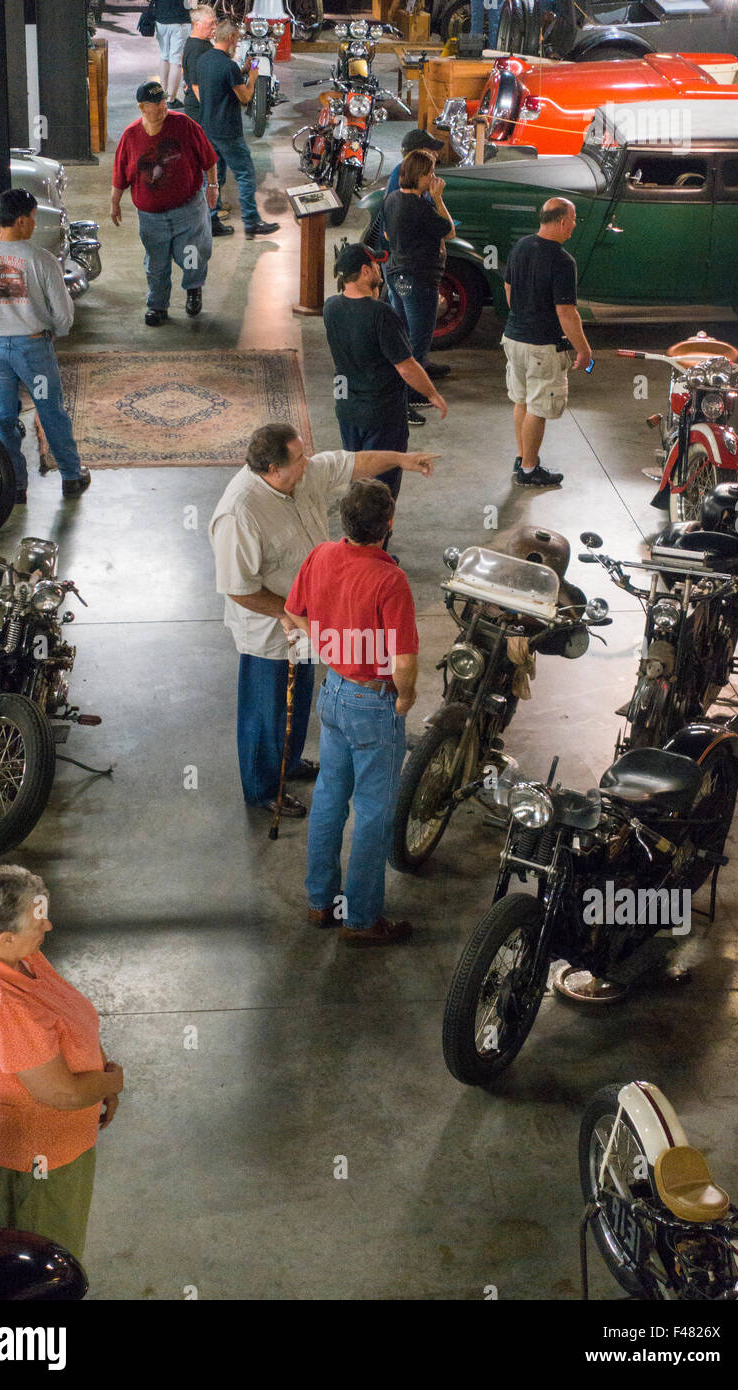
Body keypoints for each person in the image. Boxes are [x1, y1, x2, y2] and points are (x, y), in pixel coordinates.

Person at [208, 423, 438, 817]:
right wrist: (286, 612)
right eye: (298, 458)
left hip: (307, 620)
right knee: (267, 712)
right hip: (268, 630)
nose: (307, 461)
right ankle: (264, 789)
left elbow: (353, 463)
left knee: (296, 702)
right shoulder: (239, 512)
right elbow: (237, 587)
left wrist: (402, 459)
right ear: (272, 469)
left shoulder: (301, 472)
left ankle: (291, 762)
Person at [0, 866, 124, 1262]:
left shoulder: (6, 952)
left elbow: (66, 1014)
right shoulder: (7, 1005)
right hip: (37, 1161)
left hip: (53, 1144)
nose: (47, 925)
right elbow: (60, 1093)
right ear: (7, 936)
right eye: (38, 921)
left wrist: (99, 1072)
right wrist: (112, 1083)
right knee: (43, 1266)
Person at [284, 479, 418, 946]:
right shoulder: (389, 579)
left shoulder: (321, 555)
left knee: (329, 798)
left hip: (335, 692)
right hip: (372, 703)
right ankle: (361, 919)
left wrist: (327, 645)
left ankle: (321, 902)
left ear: (344, 521)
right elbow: (402, 660)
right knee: (374, 812)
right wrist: (405, 697)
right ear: (389, 524)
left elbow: (294, 610)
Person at [0, 188, 89, 505]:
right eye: (32, 217)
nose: (33, 223)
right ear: (20, 220)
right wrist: (56, 332)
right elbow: (63, 312)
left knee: (3, 418)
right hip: (34, 352)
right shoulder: (40, 260)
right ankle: (71, 476)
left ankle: (14, 485)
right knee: (51, 411)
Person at [324, 245, 446, 506]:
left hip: (347, 411)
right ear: (366, 271)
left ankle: (357, 540)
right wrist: (431, 393)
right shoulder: (381, 314)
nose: (381, 270)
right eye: (377, 266)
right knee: (381, 490)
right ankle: (377, 542)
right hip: (382, 414)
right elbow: (406, 366)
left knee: (357, 478)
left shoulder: (330, 307)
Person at [111, 79, 219, 326]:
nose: (161, 108)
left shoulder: (185, 125)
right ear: (142, 107)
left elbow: (209, 159)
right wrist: (114, 203)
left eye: (163, 102)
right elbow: (120, 174)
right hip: (151, 218)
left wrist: (212, 187)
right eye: (155, 104)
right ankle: (157, 306)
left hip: (188, 211)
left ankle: (193, 290)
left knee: (193, 256)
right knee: (156, 264)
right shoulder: (131, 136)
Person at [502, 196, 592, 488]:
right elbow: (566, 311)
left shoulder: (521, 246)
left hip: (513, 338)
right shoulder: (563, 261)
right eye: (574, 219)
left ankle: (522, 457)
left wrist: (521, 314)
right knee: (538, 408)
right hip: (541, 347)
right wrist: (584, 350)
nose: (575, 226)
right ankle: (529, 470)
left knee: (521, 401)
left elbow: (508, 285)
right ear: (563, 221)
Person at [382, 149, 456, 426]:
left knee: (401, 336)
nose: (434, 178)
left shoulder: (391, 199)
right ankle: (406, 398)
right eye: (431, 174)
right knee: (419, 339)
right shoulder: (420, 206)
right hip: (419, 279)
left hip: (396, 274)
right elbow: (449, 230)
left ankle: (408, 387)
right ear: (421, 175)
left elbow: (388, 234)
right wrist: (437, 198)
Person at [194, 19, 279, 239]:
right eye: (237, 39)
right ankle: (251, 222)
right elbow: (245, 97)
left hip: (207, 127)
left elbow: (217, 84)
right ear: (231, 38)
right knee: (245, 174)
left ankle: (211, 220)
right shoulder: (228, 65)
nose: (237, 44)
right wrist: (251, 77)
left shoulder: (204, 60)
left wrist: (242, 69)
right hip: (227, 130)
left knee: (214, 177)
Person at [183, 5, 234, 239]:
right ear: (197, 24)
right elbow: (195, 85)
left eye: (215, 23)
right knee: (210, 164)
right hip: (203, 115)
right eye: (211, 23)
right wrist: (213, 112)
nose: (215, 27)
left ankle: (213, 209)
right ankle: (209, 217)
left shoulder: (200, 46)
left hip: (203, 113)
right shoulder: (197, 50)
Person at [155, 0, 193, 108]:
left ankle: (163, 94)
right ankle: (170, 100)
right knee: (176, 61)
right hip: (179, 20)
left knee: (164, 57)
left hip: (161, 19)